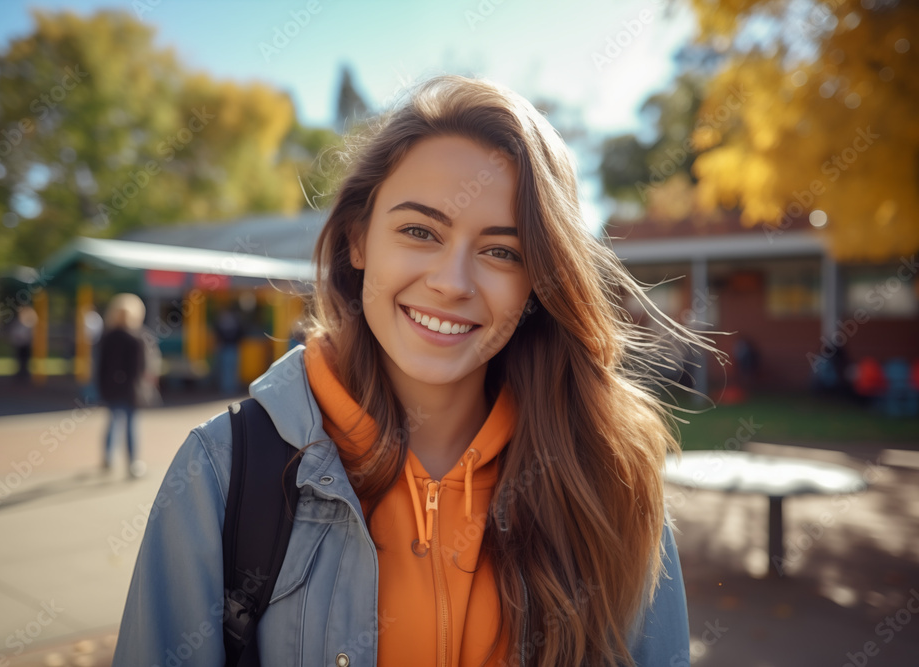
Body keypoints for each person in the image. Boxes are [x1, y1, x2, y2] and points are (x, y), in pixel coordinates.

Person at [113, 75, 723, 667]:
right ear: (358, 239)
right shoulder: (221, 470)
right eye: (419, 231)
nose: (451, 282)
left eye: (501, 251)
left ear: (538, 280)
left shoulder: (609, 475)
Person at [97, 293, 147, 478]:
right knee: (130, 425)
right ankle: (133, 462)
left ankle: (108, 458)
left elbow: (101, 366)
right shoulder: (136, 338)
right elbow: (139, 369)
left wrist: (102, 387)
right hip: (130, 390)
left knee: (113, 423)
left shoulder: (107, 337)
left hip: (112, 388)